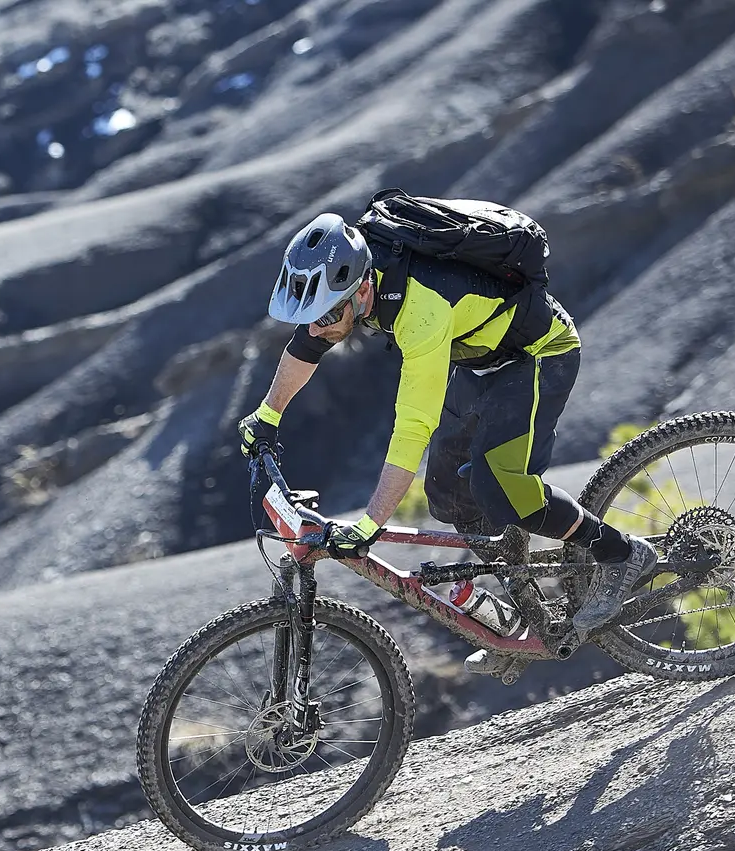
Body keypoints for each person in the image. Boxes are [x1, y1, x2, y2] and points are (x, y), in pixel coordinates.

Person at [237, 210, 656, 675]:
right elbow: (307, 345)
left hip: (538, 354)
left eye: (327, 316)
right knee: (447, 495)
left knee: (502, 488)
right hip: (480, 361)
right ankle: (528, 615)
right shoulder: (354, 278)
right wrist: (266, 416)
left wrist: (371, 523)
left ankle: (622, 553)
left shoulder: (421, 311)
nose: (317, 327)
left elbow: (412, 427)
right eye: (312, 317)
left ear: (362, 290)